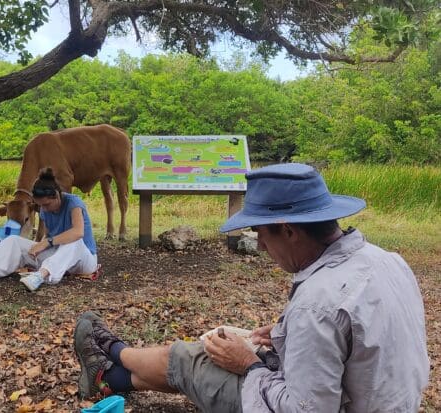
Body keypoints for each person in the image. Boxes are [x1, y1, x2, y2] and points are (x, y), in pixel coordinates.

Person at [73, 163, 429, 412]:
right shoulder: (388, 260)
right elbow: (359, 340)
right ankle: (111, 377)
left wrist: (250, 366)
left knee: (189, 357)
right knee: (217, 351)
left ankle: (110, 356)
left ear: (288, 230)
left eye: (261, 234)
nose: (259, 246)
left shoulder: (317, 304)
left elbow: (305, 410)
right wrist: (284, 335)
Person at [0, 167, 98, 292]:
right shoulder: (45, 210)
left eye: (46, 205)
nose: (43, 209)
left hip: (83, 260)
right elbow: (48, 235)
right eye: (41, 206)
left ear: (56, 195)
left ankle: (40, 276)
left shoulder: (73, 203)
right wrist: (39, 246)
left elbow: (78, 232)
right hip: (58, 257)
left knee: (74, 242)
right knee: (14, 241)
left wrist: (46, 243)